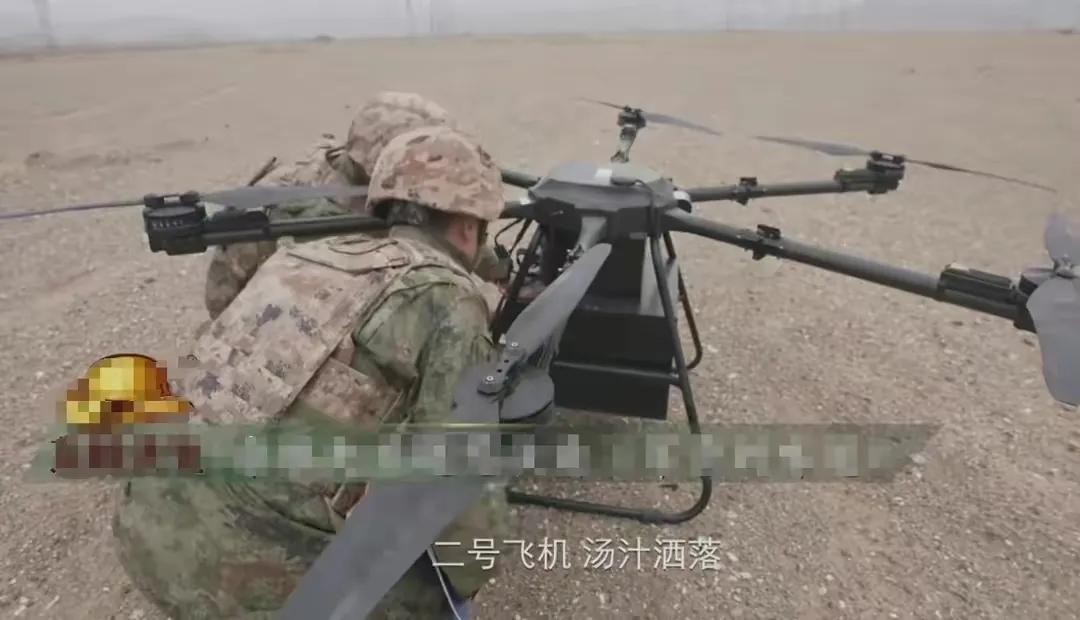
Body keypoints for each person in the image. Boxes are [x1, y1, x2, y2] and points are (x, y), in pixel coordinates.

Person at [112, 125, 510, 619]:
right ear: (468, 226)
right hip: (231, 581)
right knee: (443, 597)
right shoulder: (449, 298)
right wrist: (476, 567)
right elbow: (459, 481)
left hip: (142, 530)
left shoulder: (300, 254)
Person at [204, 91, 510, 320]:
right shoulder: (285, 203)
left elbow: (443, 229)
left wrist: (499, 273)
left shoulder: (383, 179)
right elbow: (223, 299)